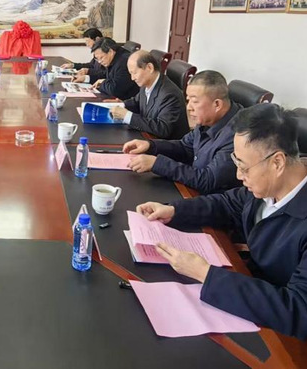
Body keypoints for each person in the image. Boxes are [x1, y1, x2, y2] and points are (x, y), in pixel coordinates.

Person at [136, 104, 307, 339]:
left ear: (277, 162)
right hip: (247, 289)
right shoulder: (269, 184)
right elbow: (228, 203)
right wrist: (174, 210)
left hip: (279, 334)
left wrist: (207, 275)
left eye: (243, 168)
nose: (238, 176)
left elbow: (298, 310)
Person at [123, 70, 243, 194]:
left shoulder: (238, 135)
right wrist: (150, 145)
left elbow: (208, 180)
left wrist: (157, 164)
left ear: (217, 104)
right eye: (188, 100)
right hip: (192, 187)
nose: (189, 107)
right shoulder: (207, 119)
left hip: (212, 199)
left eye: (195, 101)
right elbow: (185, 147)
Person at [110, 50, 189, 139]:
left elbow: (162, 129)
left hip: (165, 144)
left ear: (149, 68)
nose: (132, 78)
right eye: (130, 74)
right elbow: (137, 102)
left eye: (134, 73)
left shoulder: (169, 94)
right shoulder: (147, 83)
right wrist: (121, 105)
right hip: (148, 137)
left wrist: (127, 116)